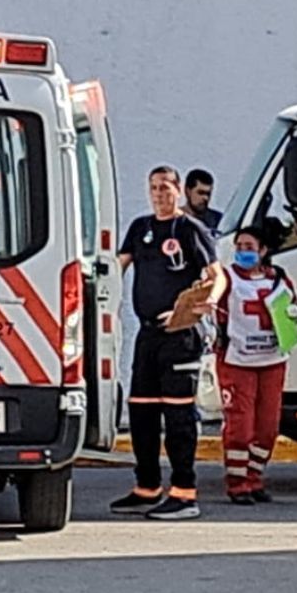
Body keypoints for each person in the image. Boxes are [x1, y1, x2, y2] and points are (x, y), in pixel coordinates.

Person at [111, 166, 225, 520]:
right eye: (153, 188)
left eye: (165, 188)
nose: (159, 194)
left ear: (178, 191)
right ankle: (147, 487)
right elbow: (118, 266)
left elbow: (216, 276)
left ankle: (184, 494)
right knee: (142, 412)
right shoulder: (141, 228)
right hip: (148, 335)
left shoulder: (190, 229)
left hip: (180, 335)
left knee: (177, 416)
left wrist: (210, 300)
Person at [214, 224, 297, 504]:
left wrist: (296, 307)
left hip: (273, 361)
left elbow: (293, 306)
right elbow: (212, 297)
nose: (242, 252)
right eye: (239, 247)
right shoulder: (227, 278)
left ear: (264, 251)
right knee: (241, 425)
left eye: (249, 247)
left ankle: (254, 478)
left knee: (267, 426)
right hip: (236, 361)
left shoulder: (278, 278)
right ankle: (237, 483)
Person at [183, 168, 223, 234]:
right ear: (188, 191)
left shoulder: (218, 220)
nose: (205, 198)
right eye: (201, 193)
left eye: (208, 194)